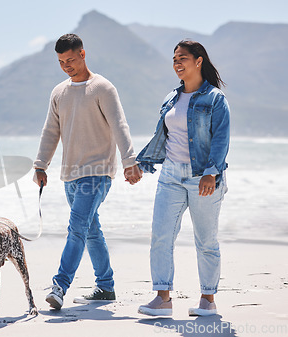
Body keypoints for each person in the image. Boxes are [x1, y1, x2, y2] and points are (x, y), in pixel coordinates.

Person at [33, 33, 143, 310]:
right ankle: (105, 287)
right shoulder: (59, 92)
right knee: (91, 231)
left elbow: (120, 125)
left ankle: (60, 285)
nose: (66, 65)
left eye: (70, 59)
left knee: (77, 229)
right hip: (69, 174)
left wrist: (130, 161)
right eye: (60, 62)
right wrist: (40, 164)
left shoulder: (103, 88)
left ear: (83, 54)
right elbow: (51, 131)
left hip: (96, 172)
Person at [136, 40, 230, 317]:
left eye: (183, 58)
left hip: (203, 176)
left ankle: (207, 300)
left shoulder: (215, 98)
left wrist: (211, 172)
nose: (177, 63)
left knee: (206, 240)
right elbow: (163, 138)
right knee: (161, 236)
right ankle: (163, 298)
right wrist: (143, 164)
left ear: (198, 61)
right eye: (174, 59)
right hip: (170, 175)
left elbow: (221, 138)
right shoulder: (171, 98)